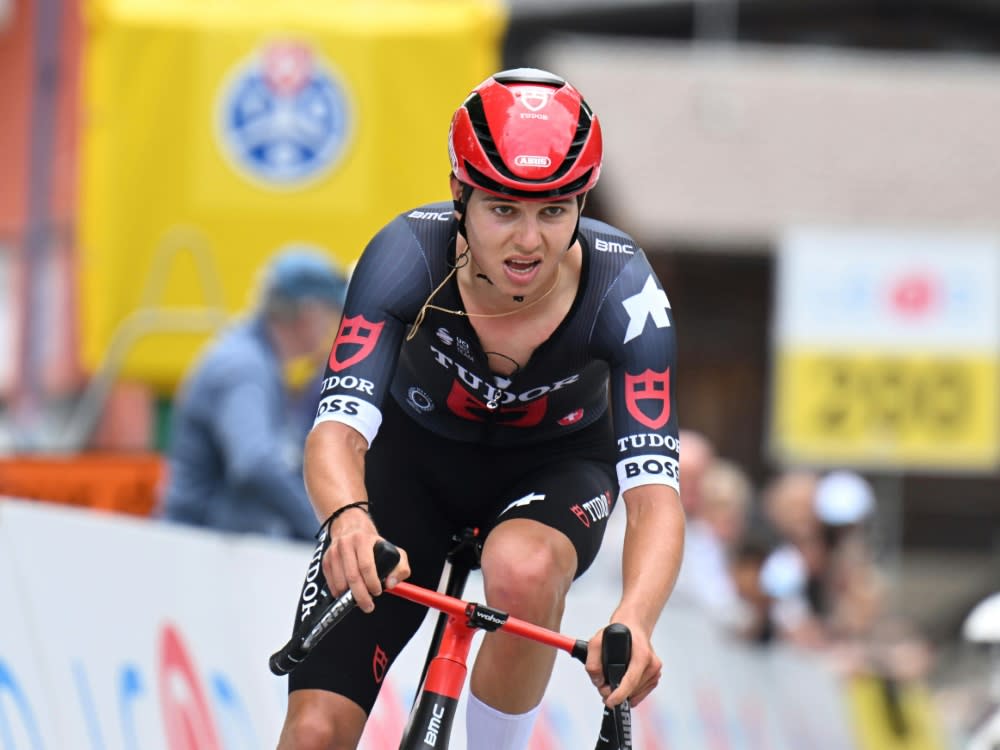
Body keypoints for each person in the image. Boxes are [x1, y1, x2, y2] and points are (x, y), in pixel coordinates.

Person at [277, 68, 684, 750]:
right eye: (503, 209)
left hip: (555, 473)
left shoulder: (627, 292)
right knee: (316, 731)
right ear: (459, 196)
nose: (529, 242)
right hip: (412, 468)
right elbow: (338, 429)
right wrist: (348, 519)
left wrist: (636, 618)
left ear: (582, 204)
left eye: (553, 211)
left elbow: (654, 496)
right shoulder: (406, 253)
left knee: (523, 568)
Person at [160, 247, 347, 541]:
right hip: (198, 555)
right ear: (308, 314)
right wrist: (326, 532)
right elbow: (254, 463)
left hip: (212, 553)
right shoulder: (245, 368)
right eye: (330, 315)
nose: (331, 329)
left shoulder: (260, 362)